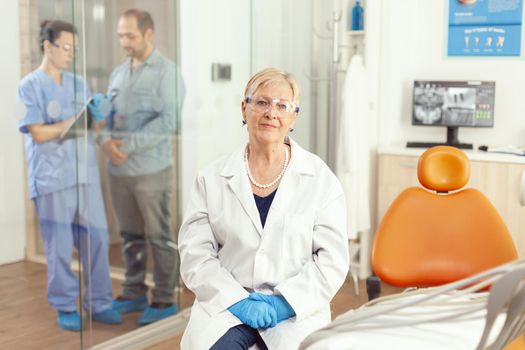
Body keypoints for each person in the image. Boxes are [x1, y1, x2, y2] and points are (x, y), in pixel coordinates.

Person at [178, 68, 350, 350]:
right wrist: (238, 301)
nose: (272, 112)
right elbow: (195, 255)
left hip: (294, 310)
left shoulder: (320, 180)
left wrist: (284, 303)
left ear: (293, 117)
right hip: (229, 306)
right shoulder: (211, 178)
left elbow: (332, 261)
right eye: (262, 102)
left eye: (283, 106)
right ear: (244, 108)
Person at [16, 20, 121, 331]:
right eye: (66, 47)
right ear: (47, 46)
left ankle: (99, 302)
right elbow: (36, 132)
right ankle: (64, 305)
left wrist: (99, 117)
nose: (71, 54)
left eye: (75, 49)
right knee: (59, 245)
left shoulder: (78, 83)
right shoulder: (29, 86)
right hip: (51, 177)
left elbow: (91, 127)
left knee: (98, 239)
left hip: (83, 173)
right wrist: (71, 122)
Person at [88, 8, 184, 325]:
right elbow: (106, 118)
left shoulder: (167, 73)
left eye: (130, 35)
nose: (124, 42)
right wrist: (105, 144)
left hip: (151, 170)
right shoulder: (118, 73)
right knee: (130, 236)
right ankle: (133, 291)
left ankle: (164, 298)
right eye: (120, 35)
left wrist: (124, 148)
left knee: (159, 236)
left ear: (148, 34)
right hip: (119, 172)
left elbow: (169, 121)